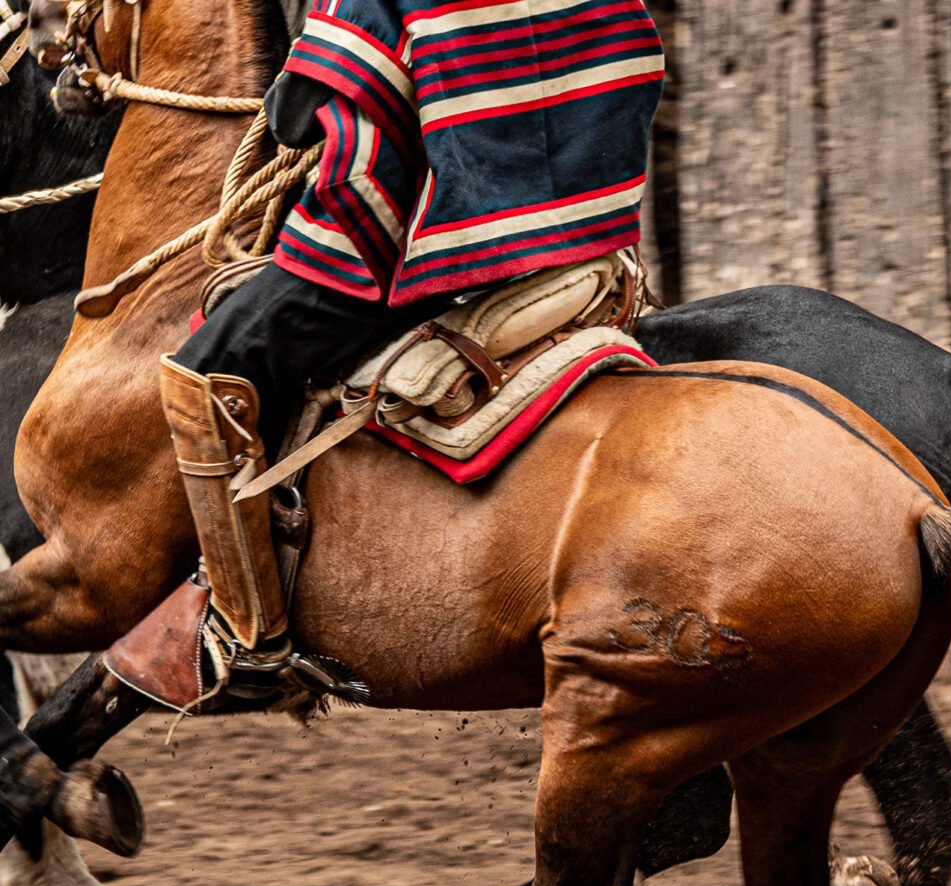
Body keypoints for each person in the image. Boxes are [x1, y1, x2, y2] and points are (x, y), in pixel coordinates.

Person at [106, 0, 665, 711]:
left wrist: (293, 103)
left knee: (204, 369)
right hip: (580, 234)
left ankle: (248, 632)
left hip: (437, 245)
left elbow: (330, 115)